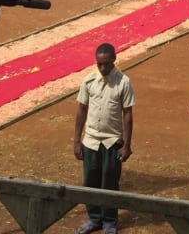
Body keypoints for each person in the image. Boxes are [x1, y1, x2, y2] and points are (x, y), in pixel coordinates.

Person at [74, 43, 134, 234]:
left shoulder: (123, 82)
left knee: (110, 181)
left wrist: (127, 145)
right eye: (99, 64)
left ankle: (110, 221)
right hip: (91, 141)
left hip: (112, 143)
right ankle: (94, 218)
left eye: (106, 64)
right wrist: (76, 141)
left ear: (114, 60)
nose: (103, 68)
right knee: (90, 181)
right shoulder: (88, 81)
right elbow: (81, 110)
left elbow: (127, 114)